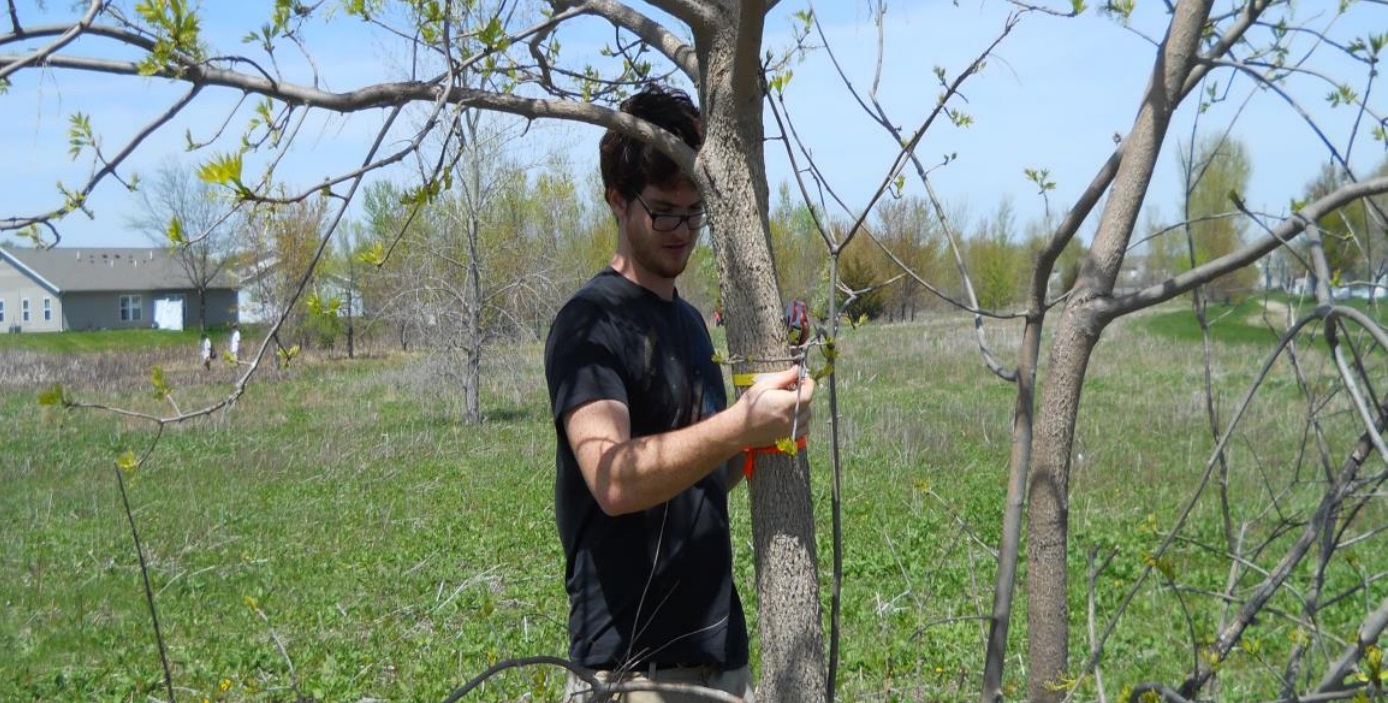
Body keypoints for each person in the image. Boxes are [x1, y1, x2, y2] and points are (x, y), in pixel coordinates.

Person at [544, 84, 815, 703]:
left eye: (695, 213)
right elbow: (613, 480)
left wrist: (768, 429)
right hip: (632, 669)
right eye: (664, 209)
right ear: (617, 199)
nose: (683, 230)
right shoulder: (588, 325)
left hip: (720, 659)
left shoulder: (692, 323)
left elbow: (706, 475)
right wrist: (739, 427)